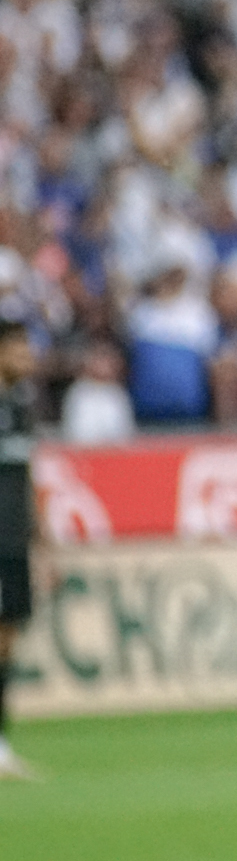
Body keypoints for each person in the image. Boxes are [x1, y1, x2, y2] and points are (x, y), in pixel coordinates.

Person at [0, 321, 39, 781]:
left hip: (13, 541)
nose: (27, 359)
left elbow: (28, 474)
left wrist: (41, 538)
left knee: (7, 640)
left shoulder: (20, 405)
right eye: (18, 350)